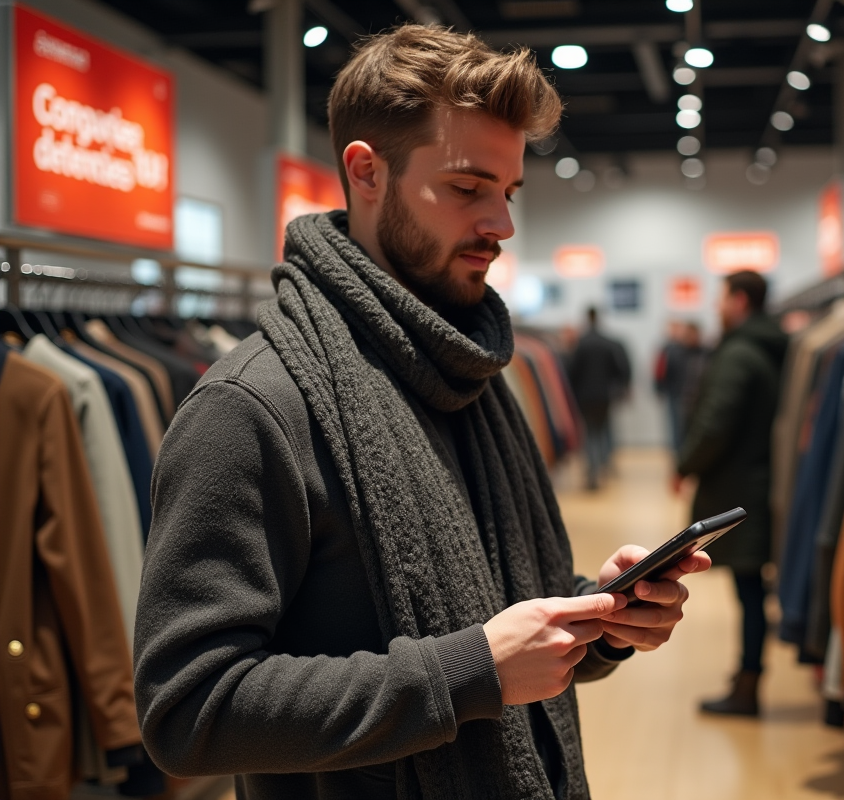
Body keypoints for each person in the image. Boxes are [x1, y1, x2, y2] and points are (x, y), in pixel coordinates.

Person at [133, 26, 709, 800]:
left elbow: (495, 612)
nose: (501, 227)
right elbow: (187, 708)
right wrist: (469, 672)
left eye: (507, 194)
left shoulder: (470, 374)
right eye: (468, 189)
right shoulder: (252, 407)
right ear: (366, 172)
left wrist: (599, 619)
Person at [676, 270, 787, 716]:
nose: (716, 307)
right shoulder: (771, 345)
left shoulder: (740, 352)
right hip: (759, 480)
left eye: (721, 298)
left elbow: (716, 421)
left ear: (740, 301)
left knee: (749, 590)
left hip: (743, 488)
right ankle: (746, 677)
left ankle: (748, 684)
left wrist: (686, 464)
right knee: (752, 588)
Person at [566, 307, 630, 490]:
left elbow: (572, 372)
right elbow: (619, 369)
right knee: (602, 432)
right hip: (604, 395)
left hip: (584, 396)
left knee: (589, 434)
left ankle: (593, 472)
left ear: (586, 318)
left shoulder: (581, 343)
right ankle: (603, 465)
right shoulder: (607, 342)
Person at [655, 320, 708, 456]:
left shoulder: (706, 353)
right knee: (677, 431)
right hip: (677, 396)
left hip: (699, 399)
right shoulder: (673, 351)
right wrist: (661, 389)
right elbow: (662, 372)